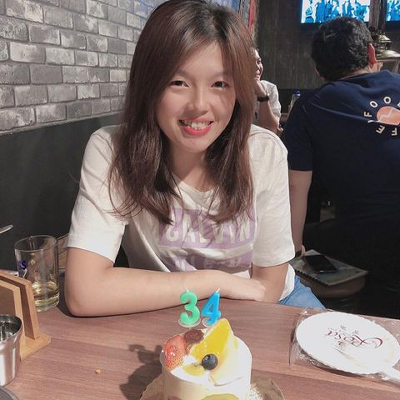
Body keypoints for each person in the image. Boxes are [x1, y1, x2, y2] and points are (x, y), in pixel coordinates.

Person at [65, 0, 324, 317]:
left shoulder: (262, 152)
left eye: (220, 84)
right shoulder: (113, 150)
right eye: (178, 83)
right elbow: (84, 291)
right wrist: (215, 282)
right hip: (170, 305)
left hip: (269, 305)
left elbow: (267, 288)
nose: (199, 105)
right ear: (148, 85)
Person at [281, 17, 400, 317]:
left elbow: (296, 185)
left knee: (313, 238)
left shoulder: (309, 107)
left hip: (370, 242)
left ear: (318, 71)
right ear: (372, 53)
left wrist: (293, 248)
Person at [253, 48, 282, 134]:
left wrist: (262, 95)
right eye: (249, 62)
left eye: (258, 62)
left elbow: (271, 131)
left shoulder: (270, 89)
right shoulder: (230, 90)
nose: (257, 67)